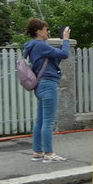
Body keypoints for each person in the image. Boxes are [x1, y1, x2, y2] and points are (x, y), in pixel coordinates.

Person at [23, 18, 71, 162]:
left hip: (39, 85)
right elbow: (64, 54)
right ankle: (49, 154)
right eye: (45, 29)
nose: (48, 32)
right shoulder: (40, 45)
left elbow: (54, 57)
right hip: (48, 84)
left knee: (40, 120)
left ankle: (37, 152)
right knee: (48, 121)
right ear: (38, 32)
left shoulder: (32, 46)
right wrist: (66, 39)